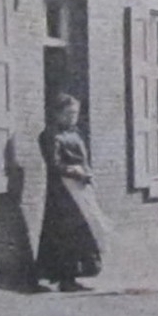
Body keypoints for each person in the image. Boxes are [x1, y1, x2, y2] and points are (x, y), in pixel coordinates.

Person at [35, 94, 105, 292]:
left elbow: (83, 159)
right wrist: (72, 170)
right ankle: (64, 277)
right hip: (62, 192)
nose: (72, 117)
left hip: (80, 188)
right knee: (64, 234)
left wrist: (87, 173)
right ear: (57, 113)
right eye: (68, 113)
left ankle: (76, 275)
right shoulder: (50, 135)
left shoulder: (76, 133)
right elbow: (54, 163)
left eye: (75, 113)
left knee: (82, 231)